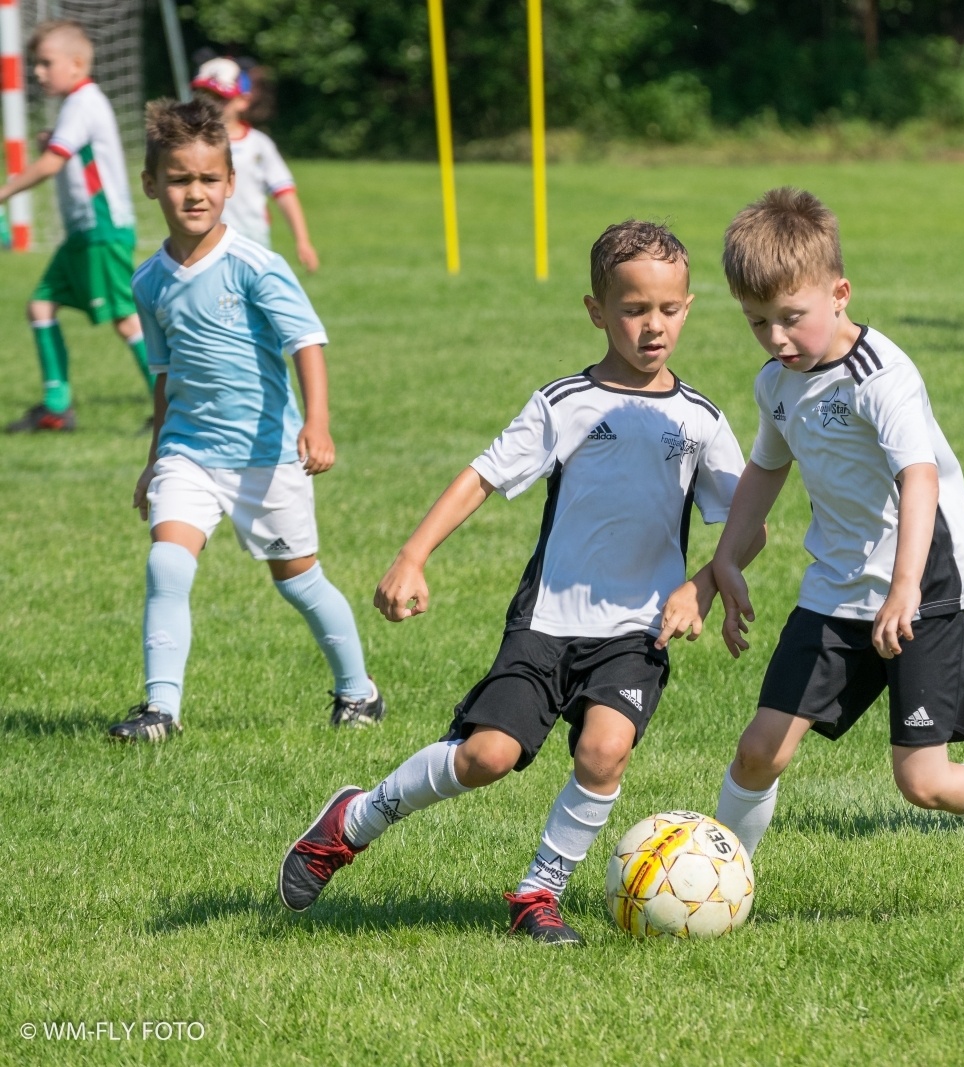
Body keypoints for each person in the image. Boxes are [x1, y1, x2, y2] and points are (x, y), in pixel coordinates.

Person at [278, 220, 750, 945]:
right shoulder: (566, 403)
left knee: (604, 751)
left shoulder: (701, 421)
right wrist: (413, 554)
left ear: (688, 306)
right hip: (550, 621)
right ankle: (355, 819)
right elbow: (481, 477)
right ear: (597, 310)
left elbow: (745, 521)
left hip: (636, 628)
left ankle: (539, 891)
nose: (652, 326)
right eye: (632, 309)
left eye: (668, 309)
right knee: (486, 756)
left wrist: (704, 586)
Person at [707, 187, 964, 897]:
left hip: (920, 588)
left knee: (923, 781)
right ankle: (720, 883)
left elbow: (918, 477)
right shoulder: (777, 383)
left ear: (839, 294)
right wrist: (725, 559)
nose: (775, 338)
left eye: (790, 318)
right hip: (834, 589)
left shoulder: (881, 376)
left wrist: (904, 587)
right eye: (757, 322)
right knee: (759, 750)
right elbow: (766, 468)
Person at [113, 98, 382, 742]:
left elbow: (307, 343)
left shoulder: (256, 266)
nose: (194, 193)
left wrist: (316, 423)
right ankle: (161, 710)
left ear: (231, 184)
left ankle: (358, 691)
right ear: (152, 185)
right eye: (179, 180)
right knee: (166, 566)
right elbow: (164, 374)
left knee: (300, 582)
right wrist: (154, 458)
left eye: (209, 179)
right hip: (189, 453)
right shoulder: (148, 281)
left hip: (266, 456)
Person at [0, 20, 150, 433]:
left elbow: (53, 163)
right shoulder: (76, 105)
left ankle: (171, 404)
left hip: (101, 230)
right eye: (35, 64)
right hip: (82, 234)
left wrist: (6, 191)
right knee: (41, 305)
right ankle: (56, 406)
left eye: (46, 63)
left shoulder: (85, 102)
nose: (37, 72)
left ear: (78, 63)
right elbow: (68, 152)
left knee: (126, 319)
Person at [190, 56, 320, 271]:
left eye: (220, 98)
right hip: (202, 245)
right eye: (204, 96)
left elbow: (284, 192)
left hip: (251, 242)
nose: (211, 105)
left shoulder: (258, 145)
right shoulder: (189, 146)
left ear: (243, 100)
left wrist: (303, 241)